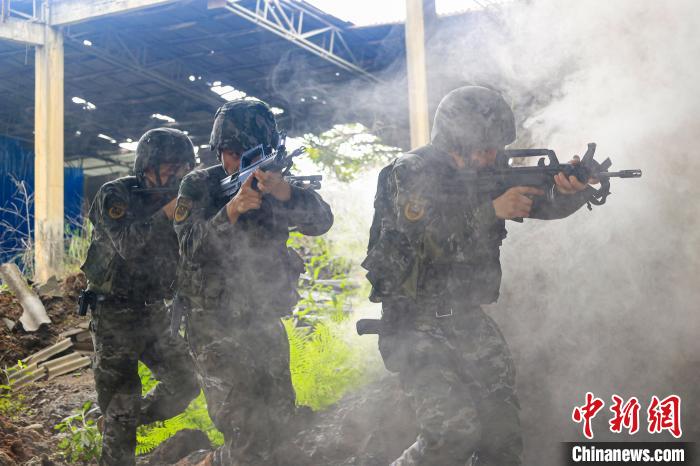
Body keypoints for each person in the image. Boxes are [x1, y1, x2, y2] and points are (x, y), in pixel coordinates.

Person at [362, 86, 599, 466]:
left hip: (469, 321)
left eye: (496, 147)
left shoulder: (490, 171)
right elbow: (416, 244)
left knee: (502, 437)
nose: (493, 156)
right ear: (457, 139)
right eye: (485, 147)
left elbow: (542, 206)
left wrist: (567, 191)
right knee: (451, 435)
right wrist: (490, 211)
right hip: (414, 324)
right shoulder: (411, 172)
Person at [173, 99, 333, 465]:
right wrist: (230, 211)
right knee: (250, 442)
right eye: (226, 153)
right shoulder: (199, 185)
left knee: (281, 429)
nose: (233, 162)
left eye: (241, 153)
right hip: (213, 327)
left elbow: (321, 221)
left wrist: (286, 194)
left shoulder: (278, 184)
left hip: (263, 322)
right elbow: (189, 248)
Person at [81, 127, 200, 466]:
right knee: (123, 398)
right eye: (172, 167)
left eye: (184, 168)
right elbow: (129, 246)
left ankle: (120, 420)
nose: (179, 175)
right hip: (113, 315)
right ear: (148, 166)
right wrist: (169, 211)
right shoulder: (115, 195)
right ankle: (119, 429)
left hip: (153, 313)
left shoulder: (179, 200)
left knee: (185, 381)